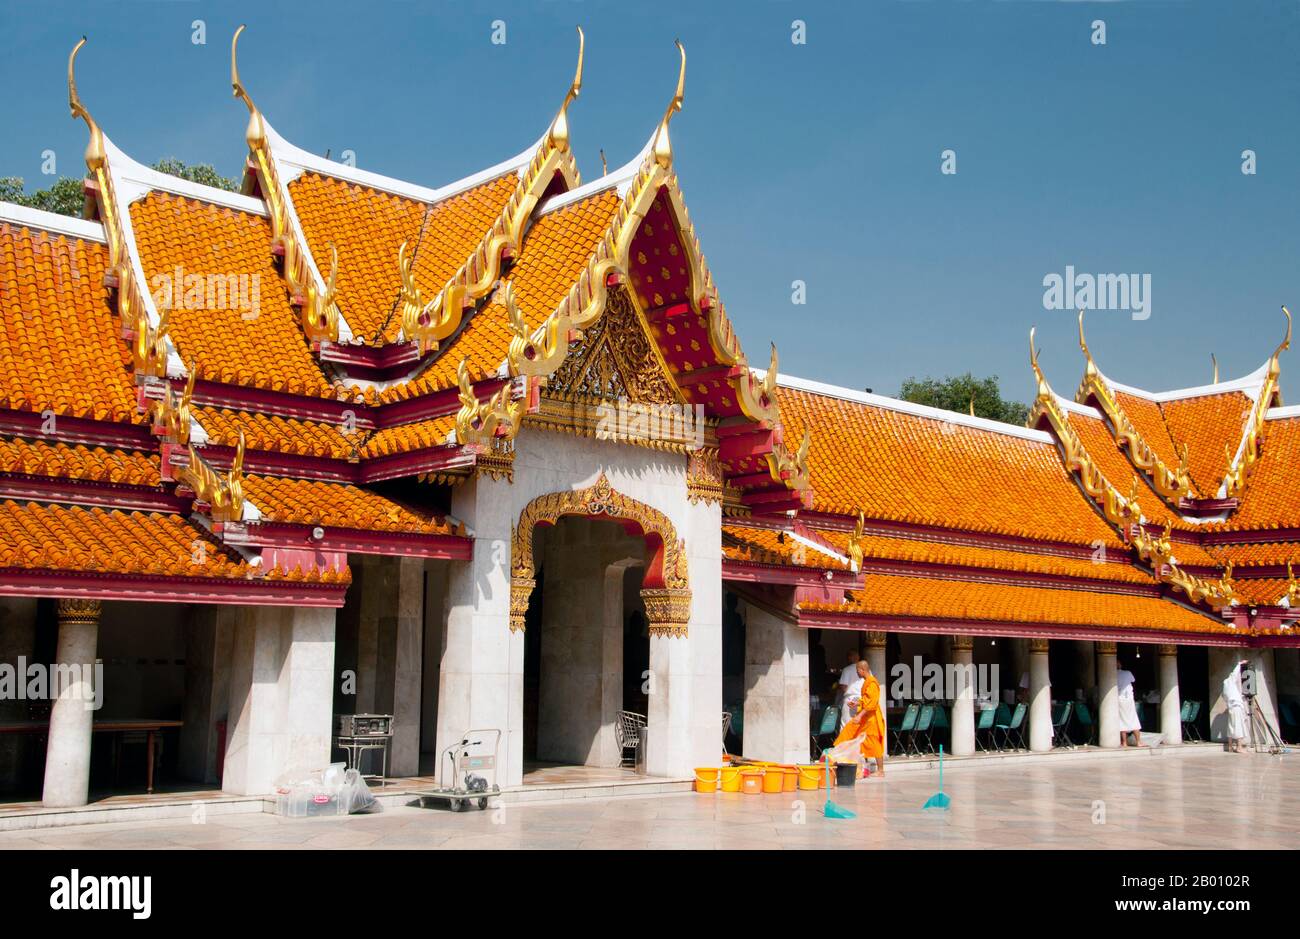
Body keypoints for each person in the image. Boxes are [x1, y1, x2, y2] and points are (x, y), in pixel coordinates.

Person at [832, 659, 886, 777]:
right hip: (864, 716)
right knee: (849, 733)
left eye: (857, 670)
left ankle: (881, 770)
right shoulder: (867, 681)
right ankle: (841, 760)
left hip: (871, 719)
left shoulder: (872, 682)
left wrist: (859, 715)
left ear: (862, 670)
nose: (856, 672)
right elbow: (867, 699)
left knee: (874, 742)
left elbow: (872, 703)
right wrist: (857, 704)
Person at [1223, 659, 1248, 753]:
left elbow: (1228, 697)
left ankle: (1230, 747)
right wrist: (1240, 664)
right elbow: (1234, 674)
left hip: (1231, 707)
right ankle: (1239, 747)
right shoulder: (1230, 681)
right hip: (1236, 707)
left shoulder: (1226, 688)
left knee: (1231, 726)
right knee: (1238, 726)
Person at [1116, 665, 1143, 747]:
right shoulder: (1127, 673)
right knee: (1133, 719)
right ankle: (1138, 742)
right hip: (1128, 699)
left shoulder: (1113, 674)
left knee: (1121, 720)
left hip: (1119, 699)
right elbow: (1133, 680)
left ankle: (1124, 742)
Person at [837, 649, 862, 730]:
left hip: (850, 700)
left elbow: (843, 686)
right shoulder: (866, 670)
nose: (847, 658)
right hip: (862, 700)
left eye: (849, 656)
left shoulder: (847, 669)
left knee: (846, 726)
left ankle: (846, 742)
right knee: (860, 726)